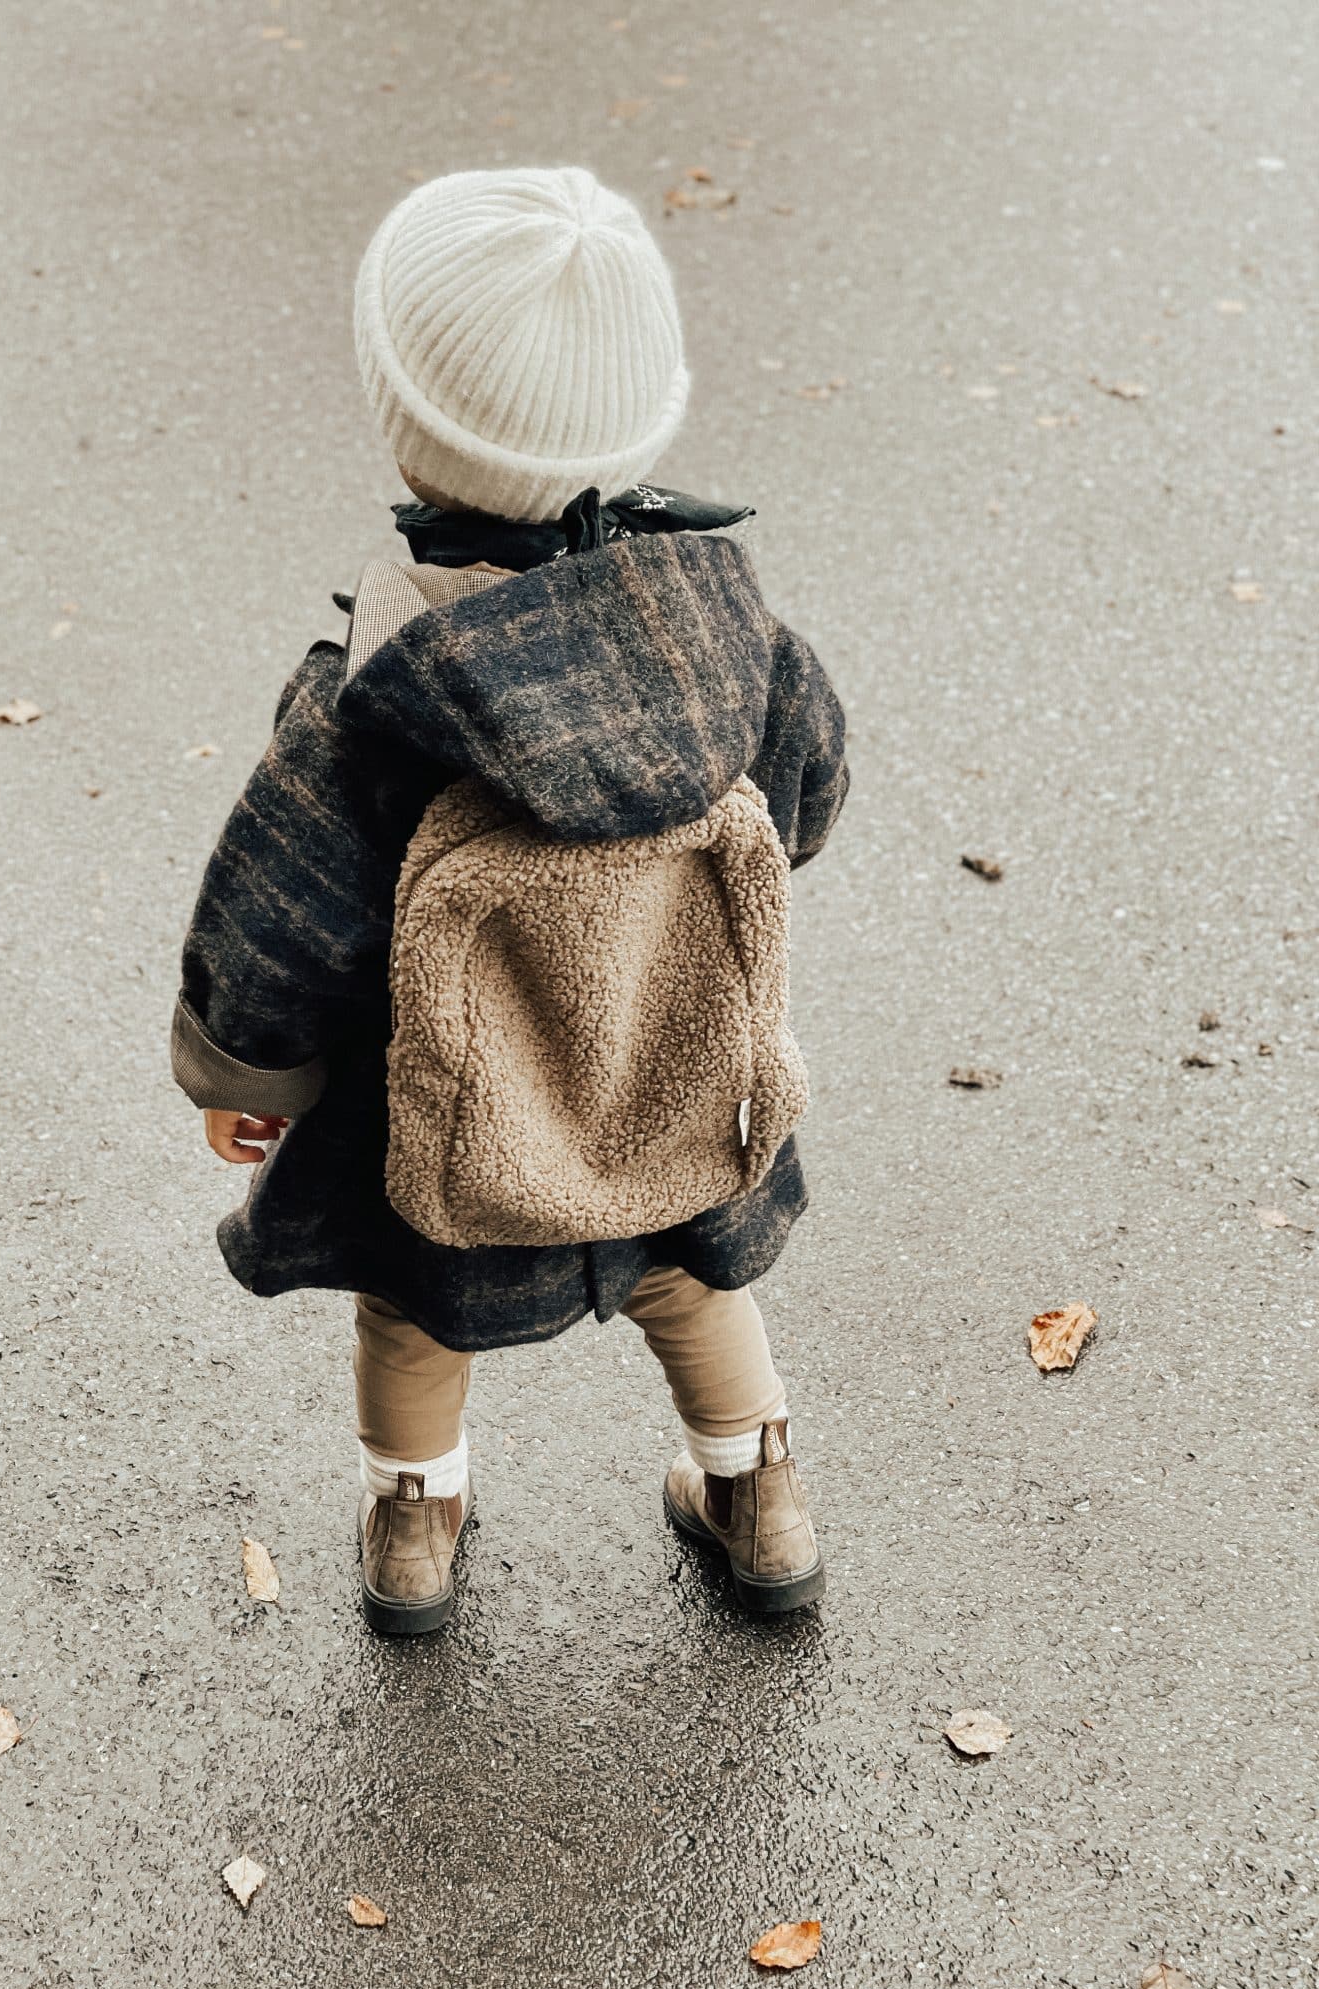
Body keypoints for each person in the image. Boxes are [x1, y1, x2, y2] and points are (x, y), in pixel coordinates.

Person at [171, 166, 848, 1634]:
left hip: (453, 1114)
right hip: (673, 1078)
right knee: (697, 1282)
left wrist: (247, 1072)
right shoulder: (739, 643)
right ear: (648, 411)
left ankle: (416, 1529)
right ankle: (759, 1500)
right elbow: (806, 802)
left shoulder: (374, 705)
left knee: (410, 1315)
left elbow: (280, 917)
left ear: (396, 415)